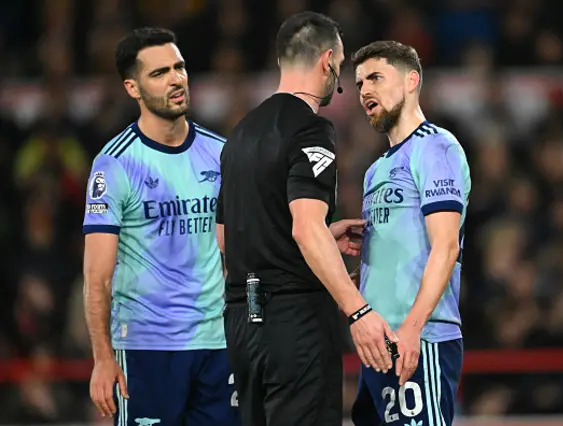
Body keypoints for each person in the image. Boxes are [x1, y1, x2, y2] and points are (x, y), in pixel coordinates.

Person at [215, 11, 397, 426]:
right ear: (328, 60)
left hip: (242, 326)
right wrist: (358, 312)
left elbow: (227, 237)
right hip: (294, 324)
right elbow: (304, 227)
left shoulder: (239, 134)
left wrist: (318, 239)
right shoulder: (312, 130)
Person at [82, 27, 239, 426]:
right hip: (146, 348)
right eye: (159, 73)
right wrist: (102, 357)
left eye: (180, 67)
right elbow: (96, 276)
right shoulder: (115, 164)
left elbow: (245, 243)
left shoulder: (220, 154)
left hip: (218, 347)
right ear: (132, 88)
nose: (176, 79)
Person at [350, 40, 471, 426]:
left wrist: (413, 329)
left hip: (420, 339)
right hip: (379, 346)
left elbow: (446, 245)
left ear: (410, 81)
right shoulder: (374, 170)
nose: (365, 90)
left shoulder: (436, 147)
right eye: (358, 84)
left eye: (375, 78)